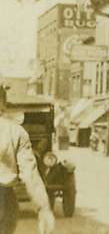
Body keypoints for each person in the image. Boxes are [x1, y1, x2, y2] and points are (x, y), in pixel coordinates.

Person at [0, 87, 55, 234]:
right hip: (4, 202)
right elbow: (30, 175)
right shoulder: (16, 132)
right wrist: (43, 208)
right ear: (4, 104)